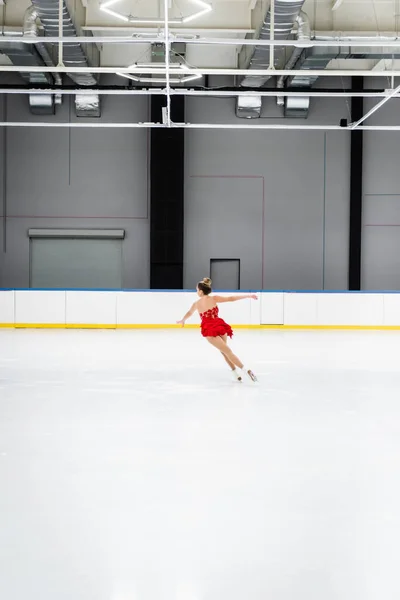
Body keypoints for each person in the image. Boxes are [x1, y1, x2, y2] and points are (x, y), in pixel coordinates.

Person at [177, 277, 258, 382]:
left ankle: (246, 370)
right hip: (219, 325)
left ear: (201, 292)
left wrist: (183, 320)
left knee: (226, 351)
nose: (196, 292)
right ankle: (235, 373)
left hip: (210, 329)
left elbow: (189, 313)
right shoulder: (214, 298)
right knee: (225, 351)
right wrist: (248, 295)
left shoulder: (196, 304)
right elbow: (231, 299)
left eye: (197, 290)